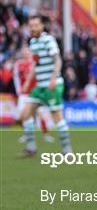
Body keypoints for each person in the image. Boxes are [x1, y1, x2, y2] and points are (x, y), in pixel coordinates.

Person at [19, 15, 72, 157]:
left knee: (57, 118)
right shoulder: (33, 42)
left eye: (36, 25)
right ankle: (31, 148)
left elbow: (58, 60)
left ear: (42, 26)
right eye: (31, 26)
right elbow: (36, 64)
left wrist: (54, 77)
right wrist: (28, 82)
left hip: (52, 85)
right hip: (40, 87)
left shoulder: (48, 40)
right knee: (25, 114)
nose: (33, 28)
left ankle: (67, 151)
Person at [13, 44, 54, 143]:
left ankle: (46, 134)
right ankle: (27, 134)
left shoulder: (35, 62)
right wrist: (18, 90)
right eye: (24, 51)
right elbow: (16, 78)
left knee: (41, 113)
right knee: (23, 115)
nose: (26, 52)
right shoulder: (18, 64)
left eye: (28, 51)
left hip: (36, 92)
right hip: (24, 93)